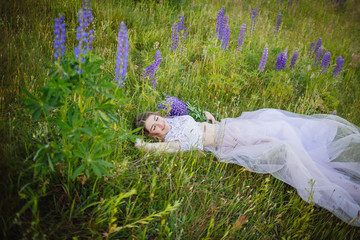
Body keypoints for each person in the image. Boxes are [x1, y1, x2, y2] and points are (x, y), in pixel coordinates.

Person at [133, 108, 360, 226]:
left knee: (283, 129)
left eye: (156, 118)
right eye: (154, 127)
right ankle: (341, 199)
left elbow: (195, 124)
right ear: (154, 136)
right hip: (230, 141)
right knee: (286, 151)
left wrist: (208, 119)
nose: (159, 124)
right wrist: (144, 147)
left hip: (231, 127)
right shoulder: (171, 143)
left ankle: (346, 186)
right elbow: (165, 149)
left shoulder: (173, 120)